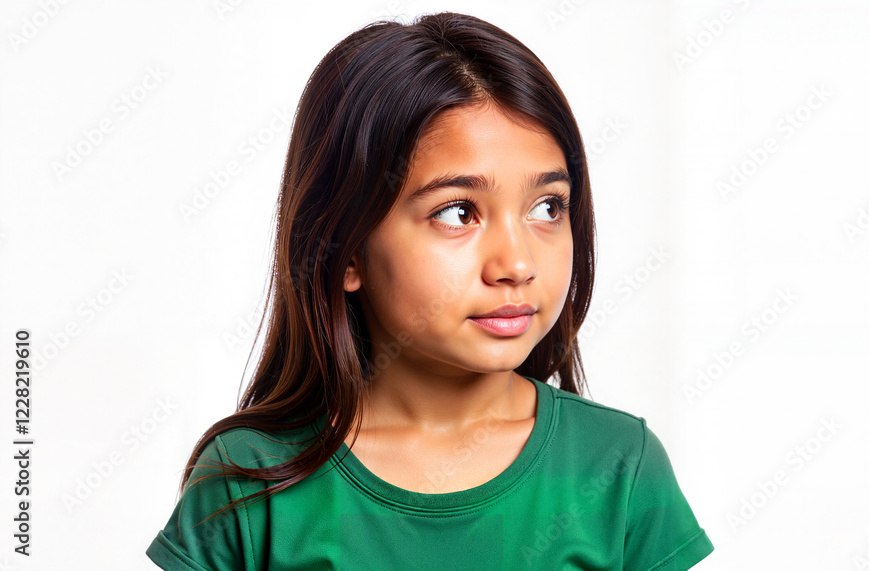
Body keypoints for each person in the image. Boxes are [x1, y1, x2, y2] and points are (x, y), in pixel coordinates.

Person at [146, 11, 714, 570]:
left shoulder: (619, 468)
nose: (517, 264)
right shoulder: (248, 483)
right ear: (345, 250)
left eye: (547, 207)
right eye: (458, 212)